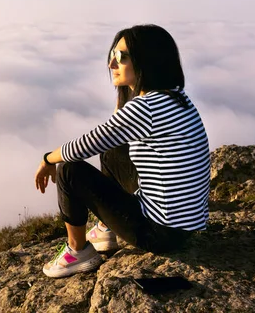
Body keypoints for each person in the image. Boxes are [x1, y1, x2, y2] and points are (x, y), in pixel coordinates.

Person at [34, 24, 211, 278]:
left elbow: (85, 145)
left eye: (121, 58)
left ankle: (78, 251)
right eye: (112, 56)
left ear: (146, 62)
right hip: (185, 226)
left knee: (69, 170)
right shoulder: (175, 97)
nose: (111, 65)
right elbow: (113, 134)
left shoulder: (147, 107)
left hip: (159, 233)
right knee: (113, 148)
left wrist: (46, 159)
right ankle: (107, 227)